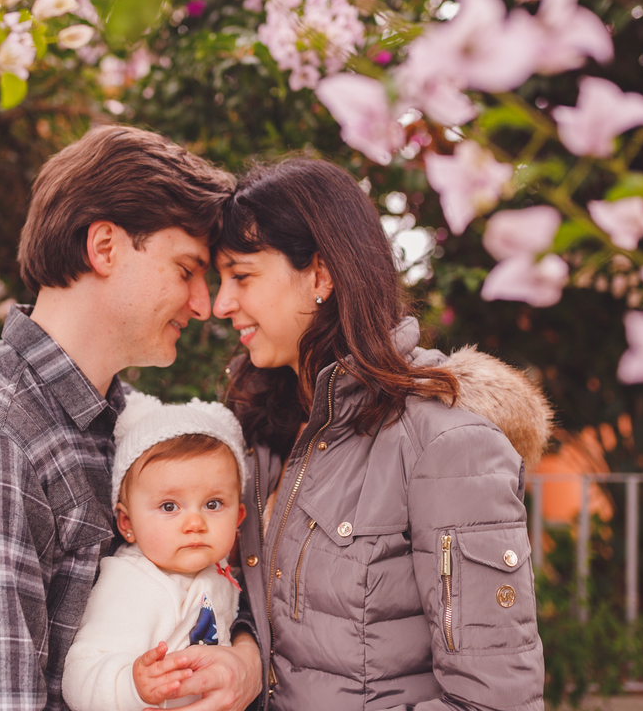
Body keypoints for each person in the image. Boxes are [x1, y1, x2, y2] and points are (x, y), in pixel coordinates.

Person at [0, 126, 261, 711]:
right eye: (186, 270)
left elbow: (210, 585)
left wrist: (244, 664)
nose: (204, 305)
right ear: (104, 247)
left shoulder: (123, 423)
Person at [212, 157, 551, 711]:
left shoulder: (444, 446)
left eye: (242, 276)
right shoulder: (265, 433)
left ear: (320, 275)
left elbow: (495, 702)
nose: (222, 304)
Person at [63, 392, 248, 711]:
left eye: (213, 504)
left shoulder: (217, 570)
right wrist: (131, 685)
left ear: (238, 518)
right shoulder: (132, 585)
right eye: (169, 506)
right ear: (127, 522)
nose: (195, 523)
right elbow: (80, 675)